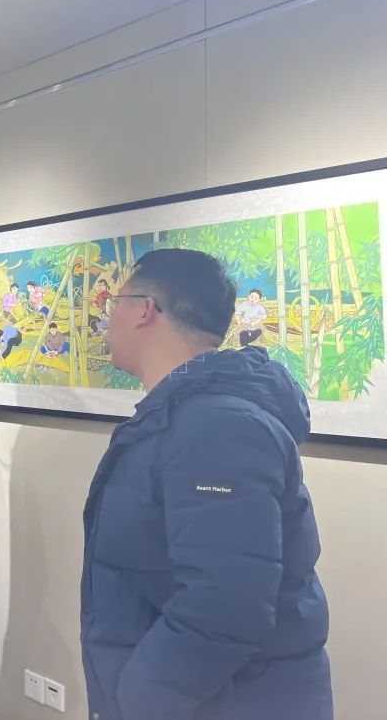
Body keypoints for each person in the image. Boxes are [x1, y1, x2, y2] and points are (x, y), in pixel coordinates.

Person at [81, 249, 332, 720]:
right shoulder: (184, 415)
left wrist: (135, 699)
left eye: (114, 303)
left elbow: (225, 606)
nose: (107, 319)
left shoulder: (217, 427)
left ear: (143, 310)